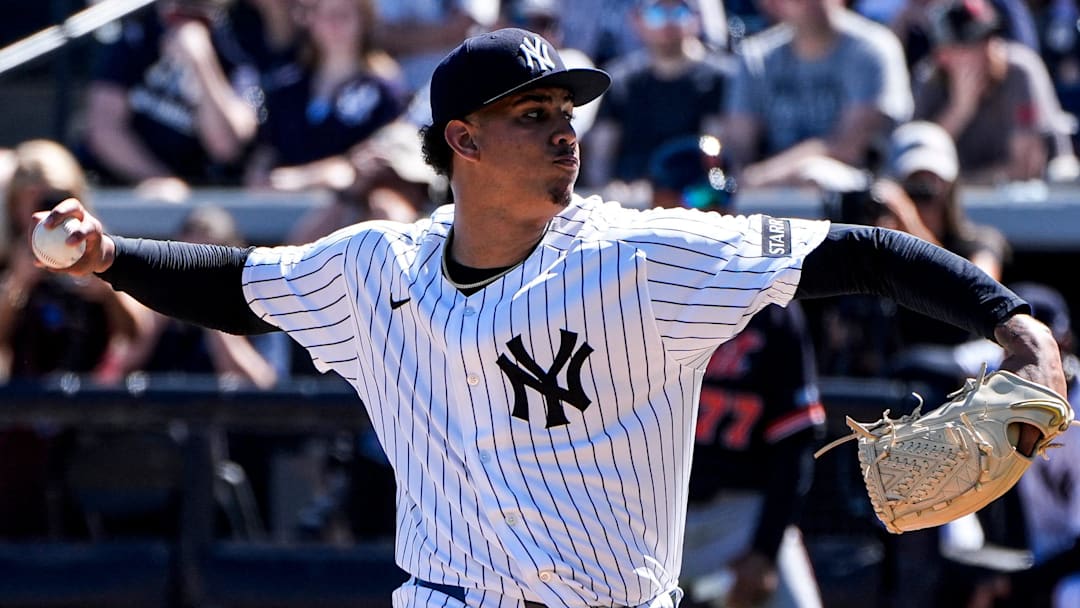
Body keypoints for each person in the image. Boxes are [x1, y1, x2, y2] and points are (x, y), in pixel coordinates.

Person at [38, 27, 1067, 607]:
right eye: (532, 117)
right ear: (462, 142)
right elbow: (236, 282)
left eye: (567, 116)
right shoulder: (371, 266)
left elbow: (858, 250)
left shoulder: (642, 255)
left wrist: (1012, 320)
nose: (562, 135)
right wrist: (111, 255)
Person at [77, 0, 261, 200]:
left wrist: (202, 61)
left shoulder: (237, 44)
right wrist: (157, 177)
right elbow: (103, 129)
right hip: (121, 187)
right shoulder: (136, 35)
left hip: (201, 201)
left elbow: (225, 146)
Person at [720, 0, 913, 188]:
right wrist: (743, 179)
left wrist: (765, 176)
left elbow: (849, 147)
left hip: (858, 185)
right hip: (768, 188)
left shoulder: (872, 48)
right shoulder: (757, 56)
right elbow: (740, 146)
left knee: (814, 174)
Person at [243, 0, 407, 192]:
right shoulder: (286, 87)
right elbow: (267, 150)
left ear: (364, 20)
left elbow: (378, 157)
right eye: (325, 15)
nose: (333, 25)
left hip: (351, 208)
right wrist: (259, 176)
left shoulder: (384, 90)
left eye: (343, 15)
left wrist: (307, 177)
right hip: (282, 207)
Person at [912, 0, 1077, 182]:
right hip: (955, 204)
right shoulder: (929, 80)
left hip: (1027, 200)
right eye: (971, 44)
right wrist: (959, 109)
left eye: (989, 38)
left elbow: (1024, 168)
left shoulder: (1019, 71)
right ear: (943, 55)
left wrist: (961, 185)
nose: (987, 50)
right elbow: (920, 168)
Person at [582, 0, 729, 200]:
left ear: (697, 19)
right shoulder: (619, 80)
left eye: (680, 12)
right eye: (657, 13)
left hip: (697, 199)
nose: (668, 23)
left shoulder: (721, 78)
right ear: (637, 20)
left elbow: (716, 157)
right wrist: (608, 193)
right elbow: (601, 157)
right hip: (631, 201)